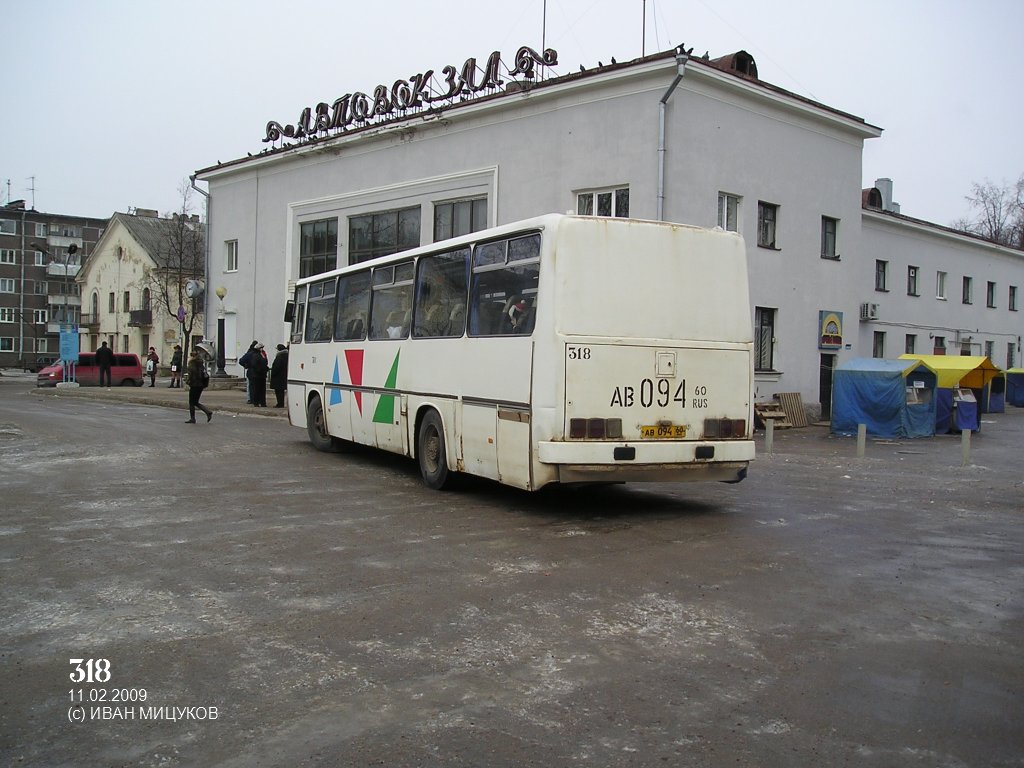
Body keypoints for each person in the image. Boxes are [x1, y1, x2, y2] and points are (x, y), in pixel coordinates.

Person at [185, 350, 213, 423]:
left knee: (192, 402)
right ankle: (207, 412)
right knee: (195, 402)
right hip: (201, 385)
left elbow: (191, 375)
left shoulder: (192, 364)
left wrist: (187, 381)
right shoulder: (201, 363)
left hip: (194, 384)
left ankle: (193, 418)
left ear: (192, 356)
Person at [247, 342, 269, 407]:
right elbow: (255, 365)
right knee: (256, 389)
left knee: (262, 390)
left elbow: (265, 363)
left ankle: (263, 402)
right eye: (261, 348)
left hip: (262, 375)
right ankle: (256, 402)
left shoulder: (262, 354)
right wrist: (260, 370)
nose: (262, 349)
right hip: (257, 375)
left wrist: (265, 368)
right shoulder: (255, 355)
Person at [270, 343, 289, 408]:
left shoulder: (279, 357)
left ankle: (280, 403)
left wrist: (273, 373)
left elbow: (276, 367)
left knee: (278, 391)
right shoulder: (287, 356)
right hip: (284, 376)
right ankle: (282, 403)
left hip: (278, 377)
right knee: (282, 391)